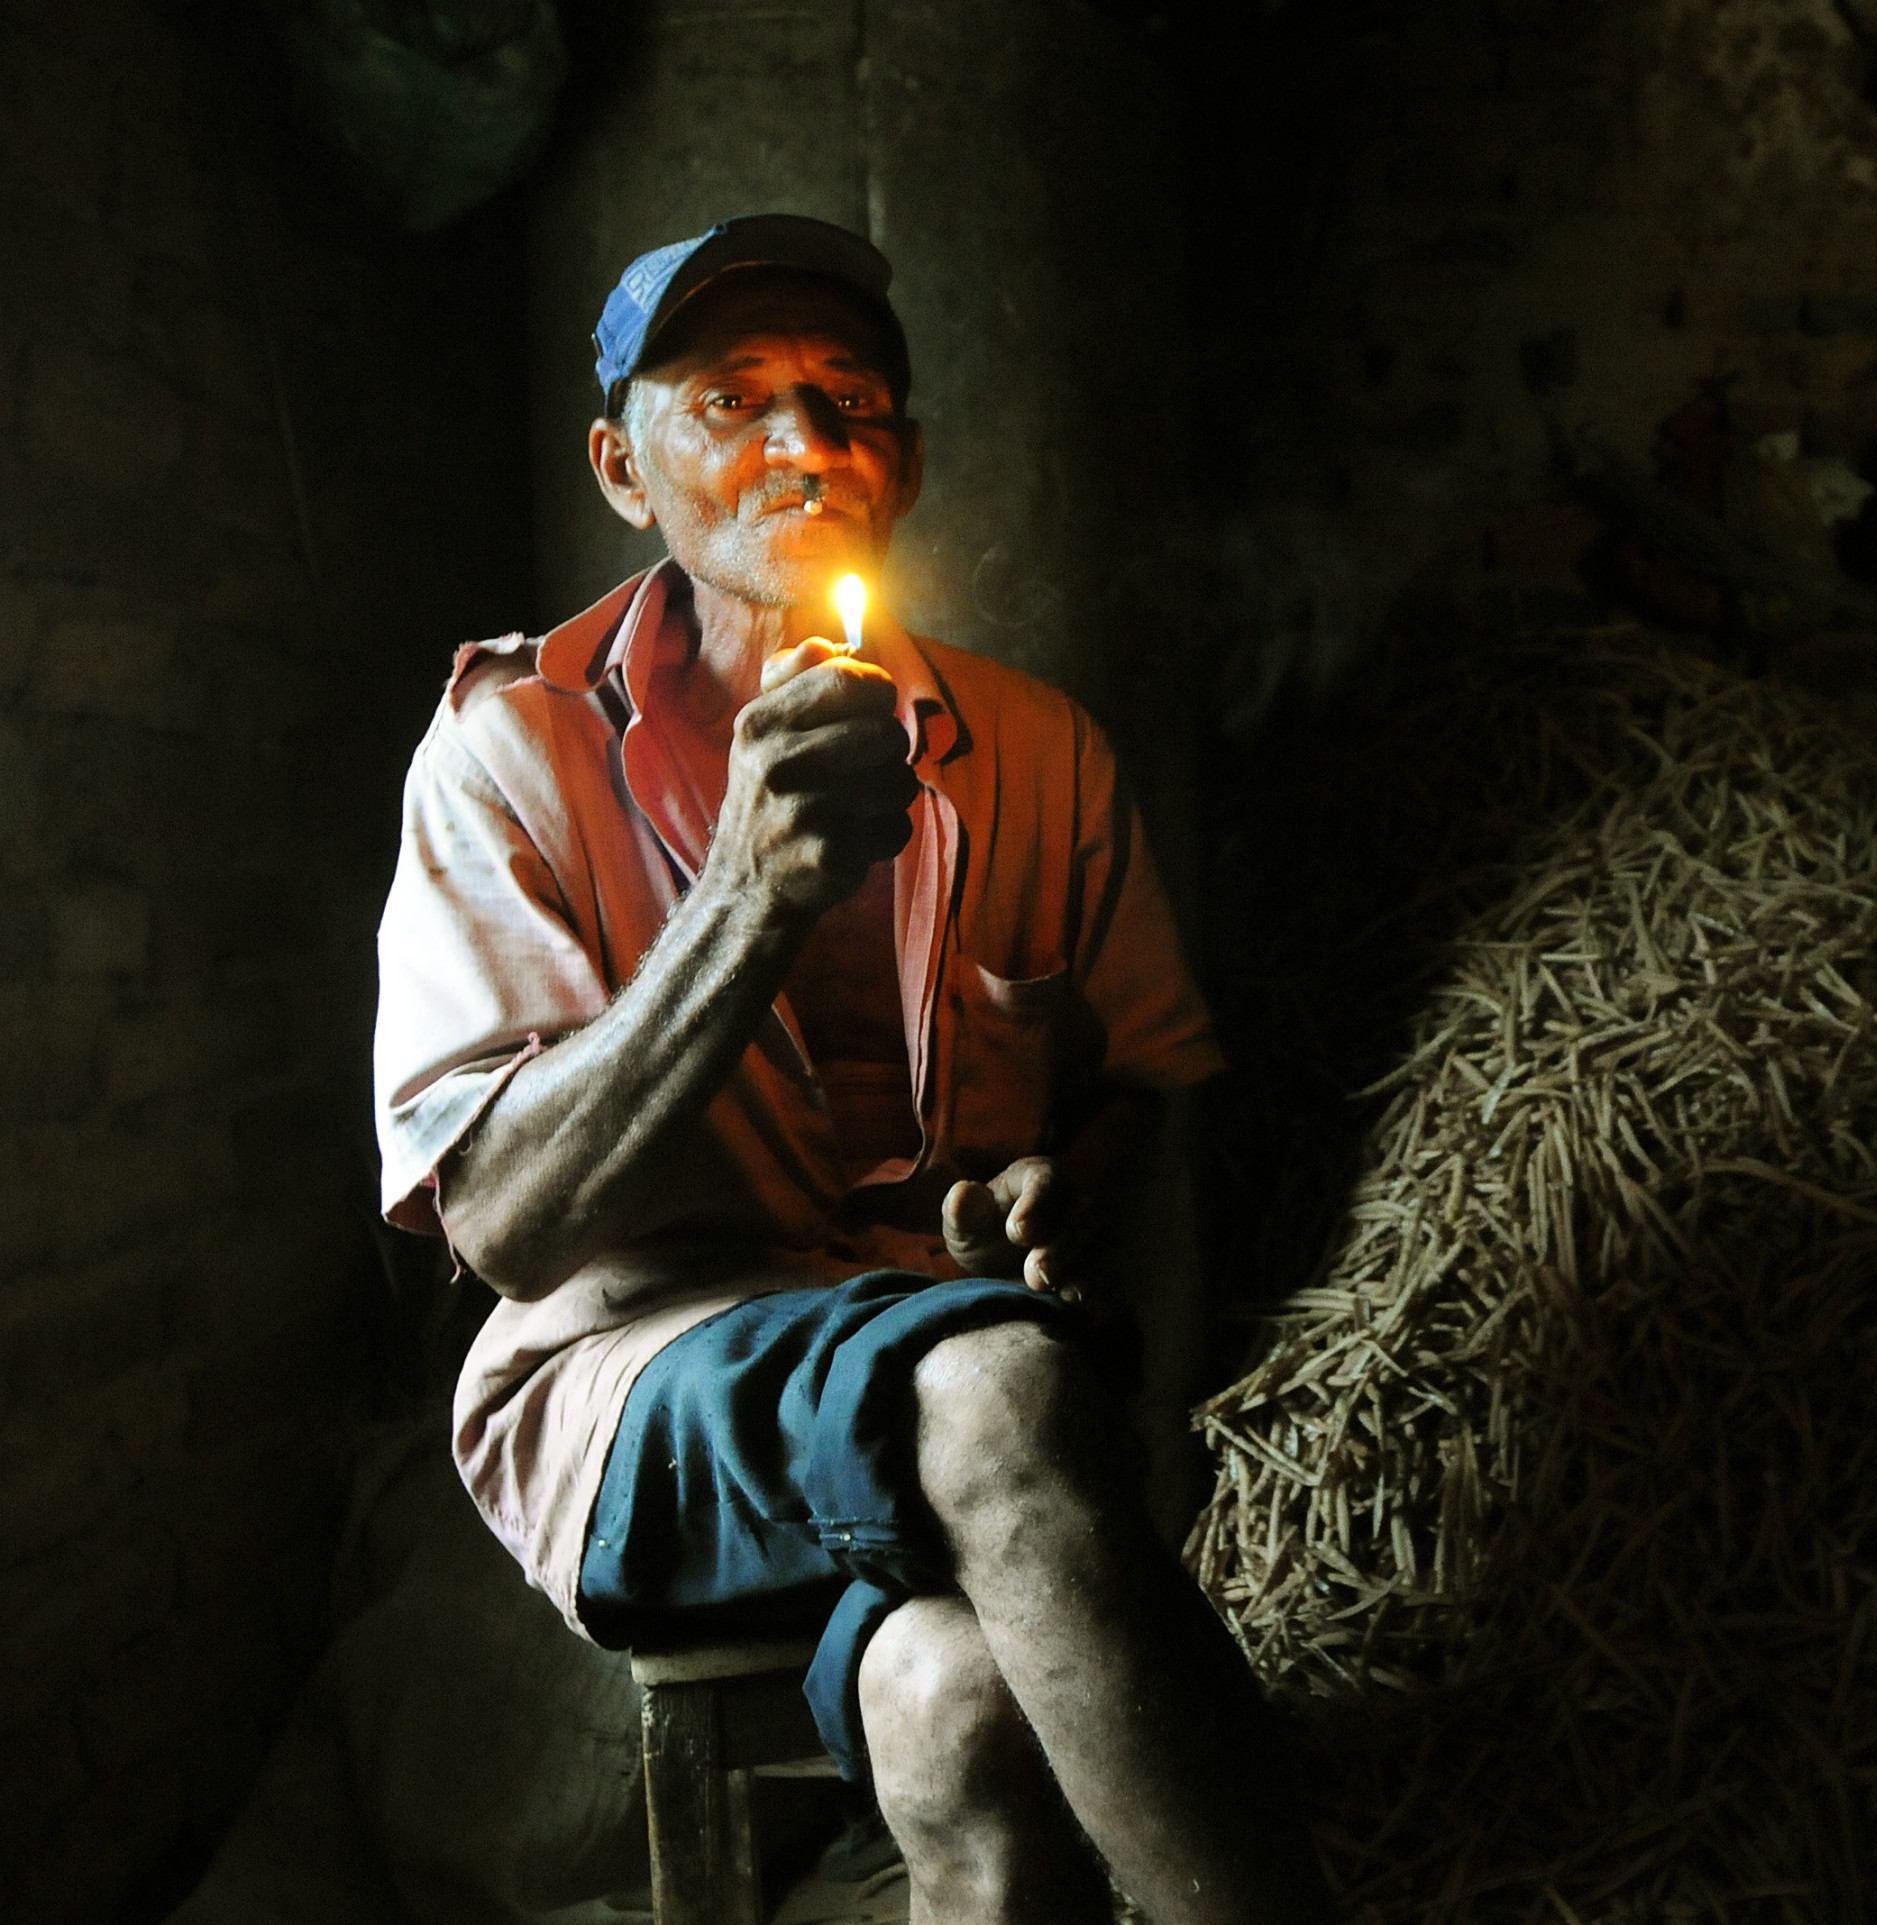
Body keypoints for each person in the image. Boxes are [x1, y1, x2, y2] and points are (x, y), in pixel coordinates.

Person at [371, 214, 1336, 1925]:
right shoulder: (506, 751)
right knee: (1004, 1392)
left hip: (927, 1394)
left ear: (904, 452)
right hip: (632, 1390)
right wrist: (746, 896)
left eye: (847, 400)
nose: (804, 447)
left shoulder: (1034, 750)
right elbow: (509, 1229)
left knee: (955, 1712)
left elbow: (1133, 1093)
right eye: (732, 401)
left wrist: (1058, 1187)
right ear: (620, 467)